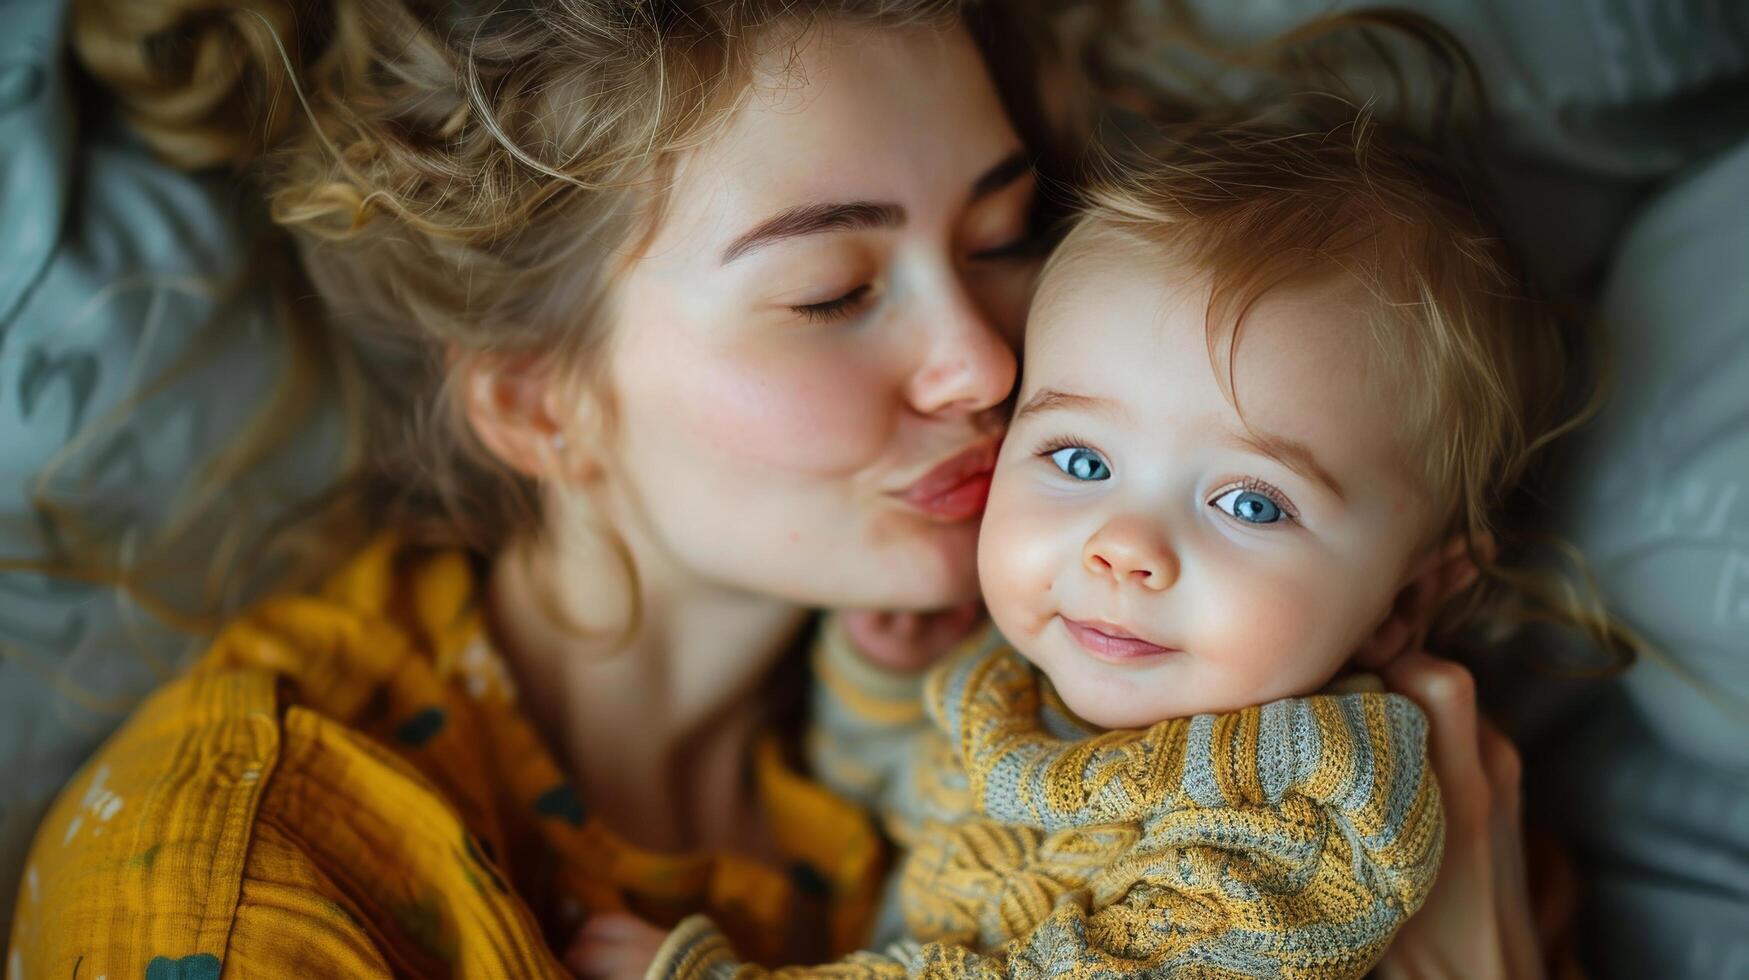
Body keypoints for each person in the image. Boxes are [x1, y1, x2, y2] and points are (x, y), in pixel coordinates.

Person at [5, 2, 1547, 978]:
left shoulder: (1107, 699)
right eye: (829, 290)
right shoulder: (255, 880)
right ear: (539, 401)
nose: (987, 368)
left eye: (1007, 237)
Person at [577, 107, 1616, 979]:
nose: (1125, 544)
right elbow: (900, 792)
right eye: (1078, 460)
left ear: (1401, 600)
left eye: (1252, 502)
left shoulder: (1322, 807)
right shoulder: (1002, 673)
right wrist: (879, 688)